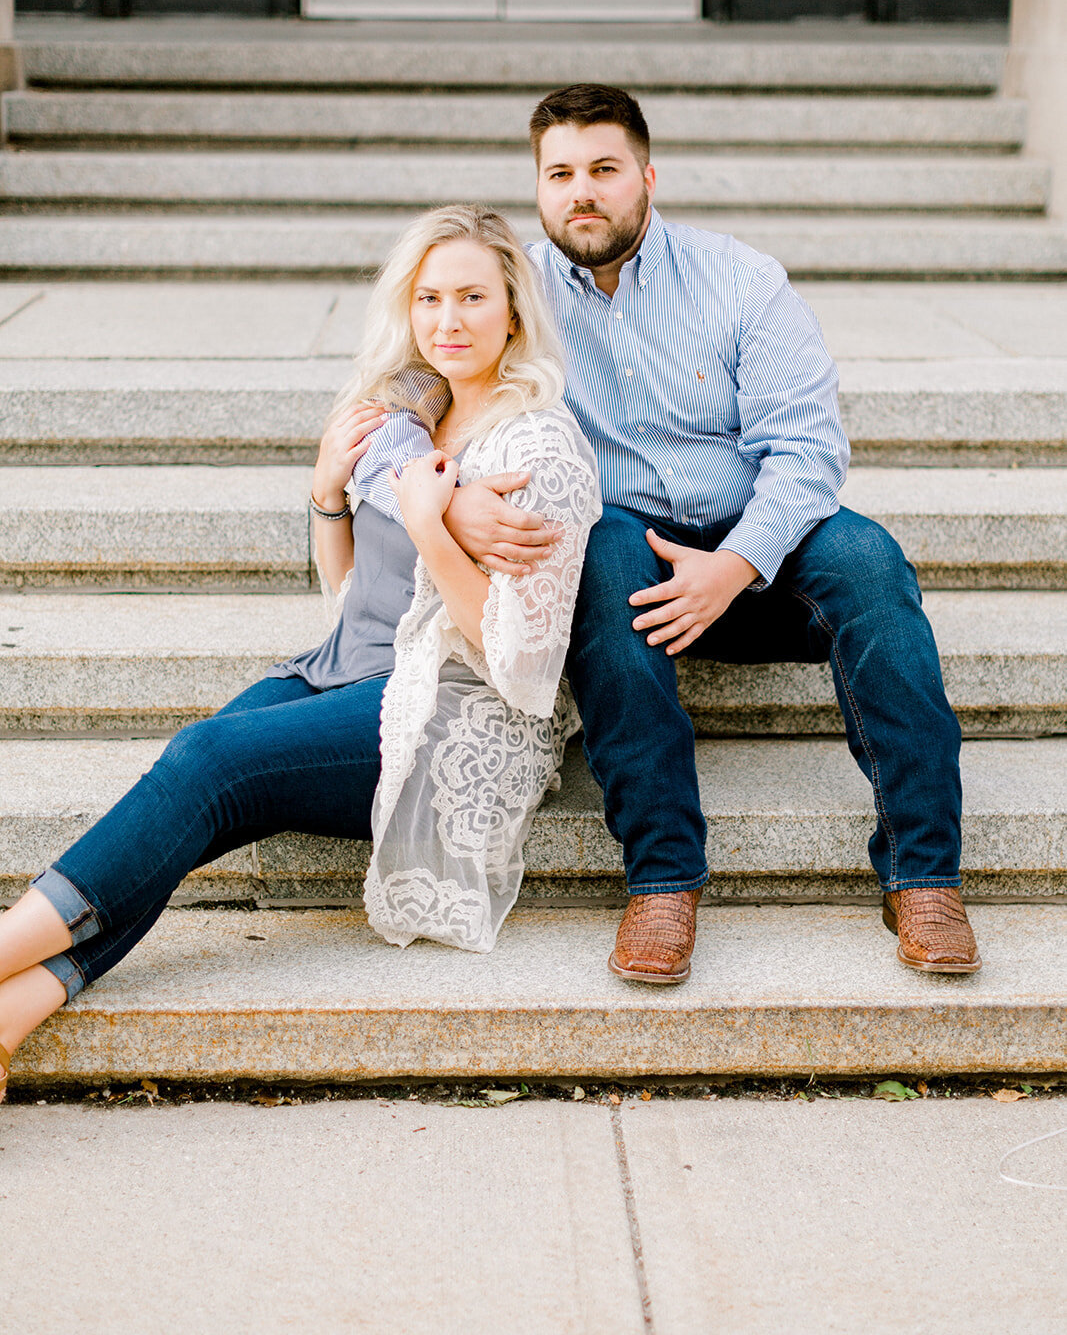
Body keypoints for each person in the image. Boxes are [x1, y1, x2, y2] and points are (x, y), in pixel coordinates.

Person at [350, 84, 982, 986]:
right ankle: (662, 877)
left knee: (869, 562)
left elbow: (805, 449)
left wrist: (733, 564)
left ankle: (923, 873)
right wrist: (441, 503)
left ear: (646, 176)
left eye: (604, 170)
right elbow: (403, 402)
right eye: (559, 173)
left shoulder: (739, 279)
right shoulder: (512, 291)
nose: (583, 192)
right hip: (629, 553)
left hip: (761, 544)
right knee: (602, 555)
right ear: (537, 188)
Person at [0, 205, 600, 1100]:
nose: (448, 320)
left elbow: (522, 665)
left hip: (442, 707)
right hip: (340, 670)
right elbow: (357, 591)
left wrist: (436, 527)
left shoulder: (538, 446)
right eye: (429, 297)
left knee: (207, 760)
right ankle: (11, 1018)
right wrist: (329, 491)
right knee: (188, 793)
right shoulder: (408, 414)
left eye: (473, 297)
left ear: (513, 309)